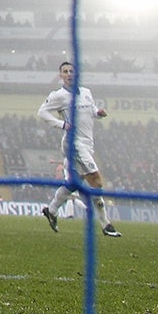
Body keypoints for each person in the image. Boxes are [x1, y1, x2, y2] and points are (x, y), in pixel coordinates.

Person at [38, 60, 119, 236]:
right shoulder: (58, 95)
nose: (68, 74)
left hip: (87, 142)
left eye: (71, 71)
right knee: (96, 181)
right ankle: (106, 224)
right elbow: (42, 112)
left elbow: (91, 111)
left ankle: (51, 210)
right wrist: (61, 124)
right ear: (61, 75)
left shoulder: (86, 93)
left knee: (74, 184)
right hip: (73, 143)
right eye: (65, 71)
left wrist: (98, 114)